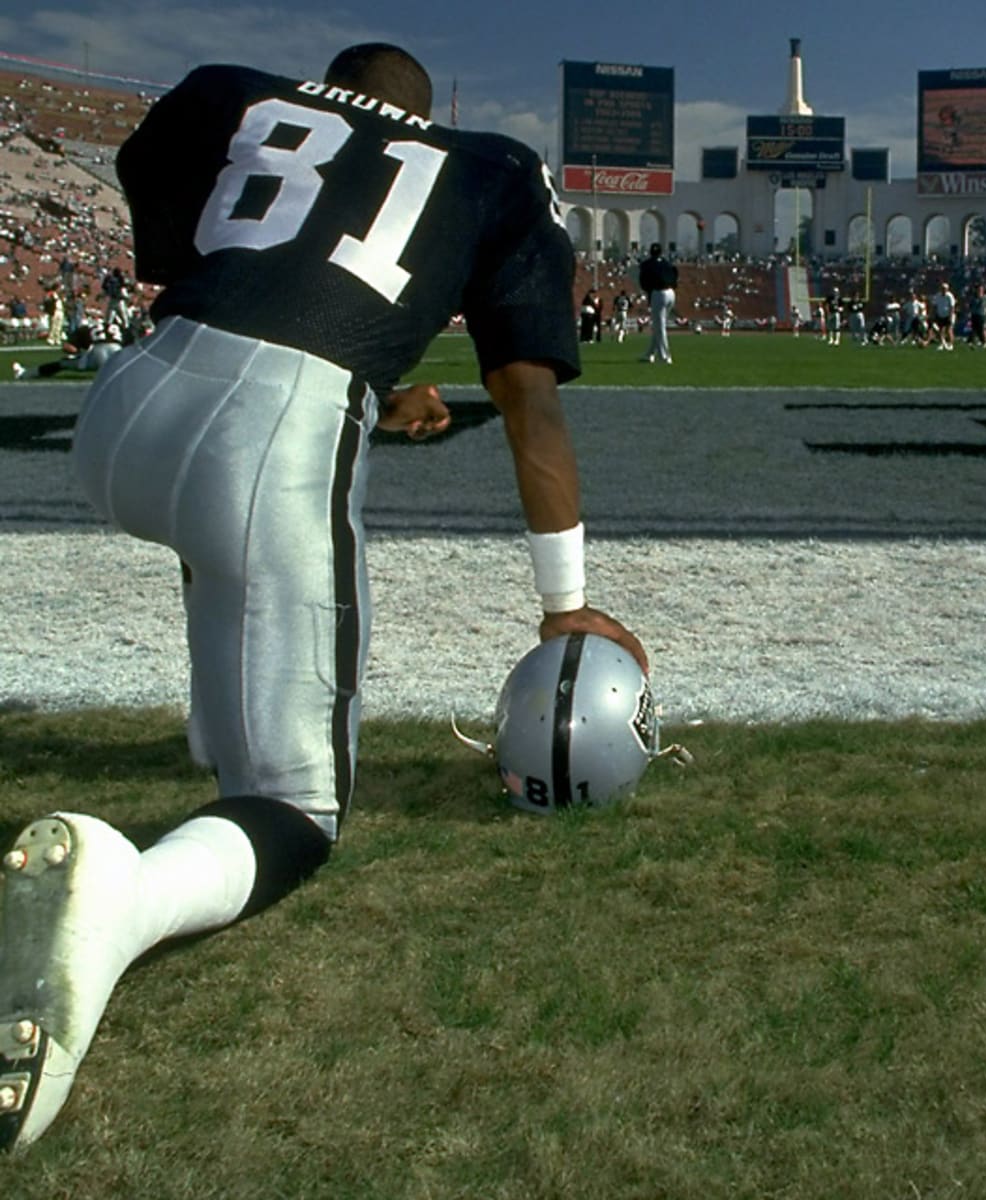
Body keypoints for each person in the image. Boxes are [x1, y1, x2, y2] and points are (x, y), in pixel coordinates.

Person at [0, 42, 646, 1152]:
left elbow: (224, 244)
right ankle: (123, 903)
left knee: (224, 545)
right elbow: (530, 409)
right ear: (426, 113)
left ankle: (220, 732)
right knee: (299, 810)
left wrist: (370, 387)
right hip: (266, 433)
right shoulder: (486, 164)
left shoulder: (232, 90)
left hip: (127, 407)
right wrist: (565, 603)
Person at [638, 242, 677, 364]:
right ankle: (650, 354)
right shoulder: (667, 263)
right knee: (659, 326)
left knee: (660, 327)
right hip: (671, 292)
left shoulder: (647, 264)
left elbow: (643, 281)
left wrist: (649, 292)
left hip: (658, 293)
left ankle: (665, 357)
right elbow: (675, 275)